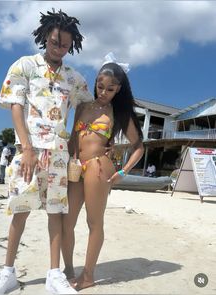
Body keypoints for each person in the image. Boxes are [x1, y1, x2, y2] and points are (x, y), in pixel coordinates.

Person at [0, 8, 93, 295]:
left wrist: (73, 140)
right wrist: (27, 148)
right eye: (55, 42)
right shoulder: (25, 65)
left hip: (58, 155)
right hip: (29, 153)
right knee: (20, 211)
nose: (59, 49)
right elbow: (16, 105)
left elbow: (85, 102)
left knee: (55, 213)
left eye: (65, 45)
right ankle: (7, 273)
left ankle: (54, 274)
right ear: (46, 36)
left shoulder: (73, 77)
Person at [62, 55, 145, 291]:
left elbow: (139, 146)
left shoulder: (120, 113)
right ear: (95, 81)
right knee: (66, 221)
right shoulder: (82, 106)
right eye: (100, 86)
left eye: (110, 89)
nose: (104, 92)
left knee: (93, 222)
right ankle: (68, 271)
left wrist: (124, 171)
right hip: (75, 165)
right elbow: (72, 139)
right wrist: (61, 165)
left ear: (119, 89)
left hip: (99, 167)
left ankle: (88, 276)